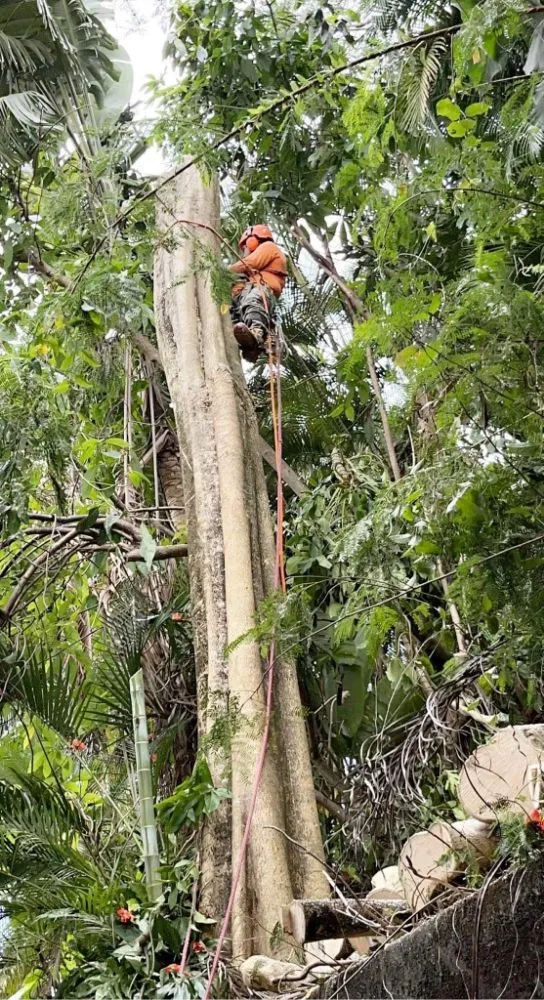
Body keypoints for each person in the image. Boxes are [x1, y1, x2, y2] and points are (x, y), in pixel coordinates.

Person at [229, 224, 287, 361]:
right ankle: (250, 345)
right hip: (249, 291)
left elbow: (249, 263)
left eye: (246, 245)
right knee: (234, 312)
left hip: (262, 289)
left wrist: (225, 272)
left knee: (252, 302)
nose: (246, 249)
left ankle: (257, 332)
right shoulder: (248, 276)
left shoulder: (268, 247)